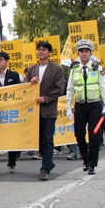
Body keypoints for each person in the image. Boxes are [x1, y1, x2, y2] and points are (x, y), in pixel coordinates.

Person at [66, 39, 105, 175]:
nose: (84, 54)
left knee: (94, 134)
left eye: (86, 51)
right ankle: (85, 159)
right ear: (78, 53)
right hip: (80, 105)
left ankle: (92, 164)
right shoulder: (75, 68)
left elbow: (103, 86)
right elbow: (70, 88)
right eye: (81, 51)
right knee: (79, 134)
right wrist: (68, 106)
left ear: (90, 53)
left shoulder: (97, 68)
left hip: (94, 105)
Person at [25, 41, 66, 181]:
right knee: (38, 140)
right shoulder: (31, 69)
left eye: (44, 49)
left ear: (49, 52)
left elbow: (59, 88)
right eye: (39, 49)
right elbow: (24, 87)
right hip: (34, 111)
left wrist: (46, 98)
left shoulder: (57, 69)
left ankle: (45, 168)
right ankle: (49, 161)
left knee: (48, 139)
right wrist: (30, 82)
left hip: (48, 110)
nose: (41, 52)